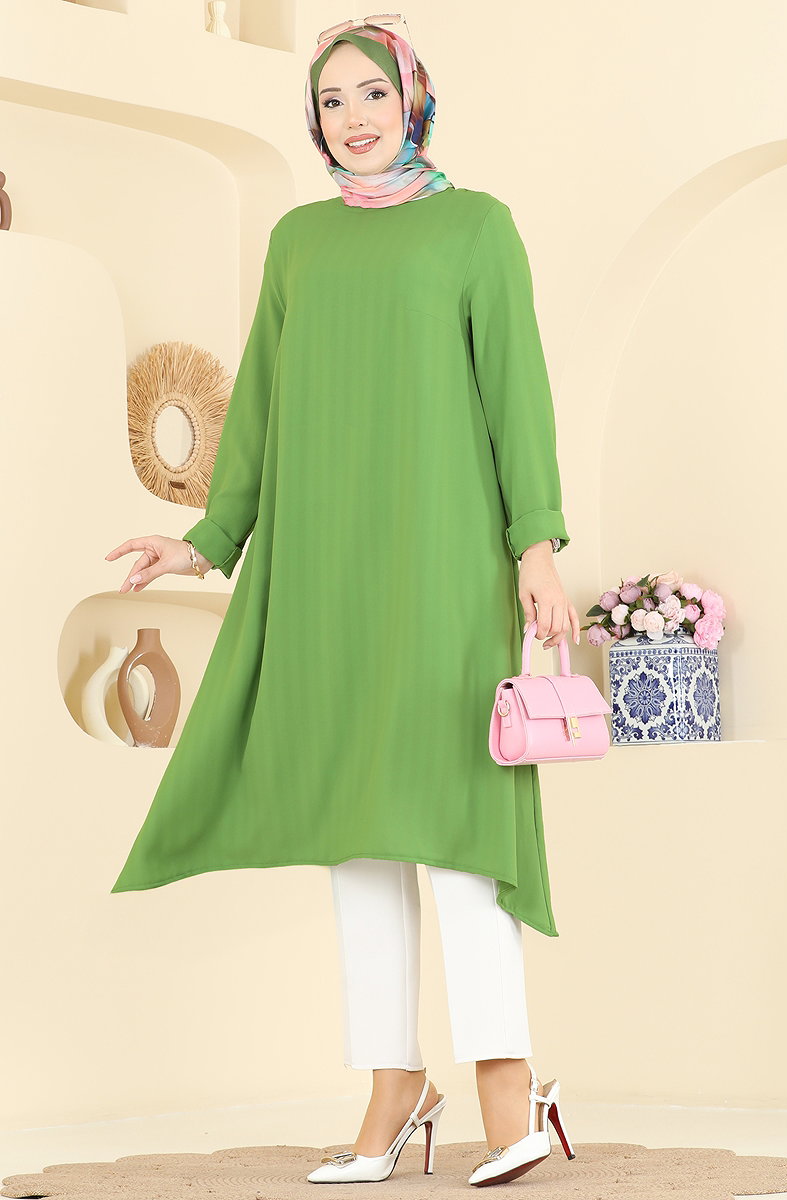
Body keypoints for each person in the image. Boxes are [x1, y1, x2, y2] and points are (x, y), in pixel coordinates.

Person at [106, 16, 579, 1189]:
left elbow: (515, 392)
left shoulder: (476, 228)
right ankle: (390, 1090)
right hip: (323, 566)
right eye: (330, 100)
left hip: (443, 567)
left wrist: (533, 546)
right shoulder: (299, 242)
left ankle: (507, 1089)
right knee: (354, 837)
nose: (353, 116)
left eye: (372, 92)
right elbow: (260, 412)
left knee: (457, 825)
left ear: (413, 99)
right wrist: (203, 543)